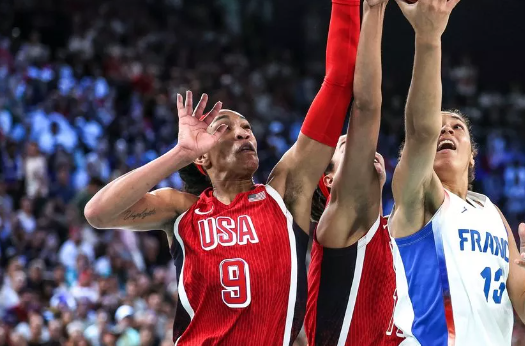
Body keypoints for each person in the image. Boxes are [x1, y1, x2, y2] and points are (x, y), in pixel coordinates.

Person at [83, 0, 361, 342]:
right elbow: (97, 212)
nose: (244, 132)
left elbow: (337, 85)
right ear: (203, 158)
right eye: (224, 127)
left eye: (246, 127)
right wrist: (179, 154)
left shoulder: (285, 195)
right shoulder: (183, 210)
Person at [387, 0, 525, 344]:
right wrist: (429, 39)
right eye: (440, 127)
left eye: (457, 127)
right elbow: (420, 133)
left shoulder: (491, 213)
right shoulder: (420, 195)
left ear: (473, 156)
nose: (445, 131)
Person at [304, 0, 402, 345]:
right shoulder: (341, 220)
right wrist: (374, 11)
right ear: (329, 181)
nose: (359, 146)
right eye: (345, 148)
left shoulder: (382, 230)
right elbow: (366, 106)